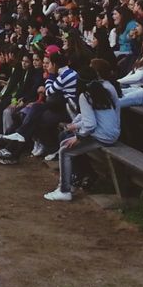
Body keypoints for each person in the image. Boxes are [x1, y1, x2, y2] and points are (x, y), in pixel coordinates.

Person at [43, 57, 121, 202]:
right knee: (65, 141)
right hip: (111, 132)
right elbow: (90, 118)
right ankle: (70, 183)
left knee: (65, 150)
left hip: (103, 135)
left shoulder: (85, 95)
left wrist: (78, 137)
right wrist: (76, 126)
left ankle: (64, 190)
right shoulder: (100, 90)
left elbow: (90, 124)